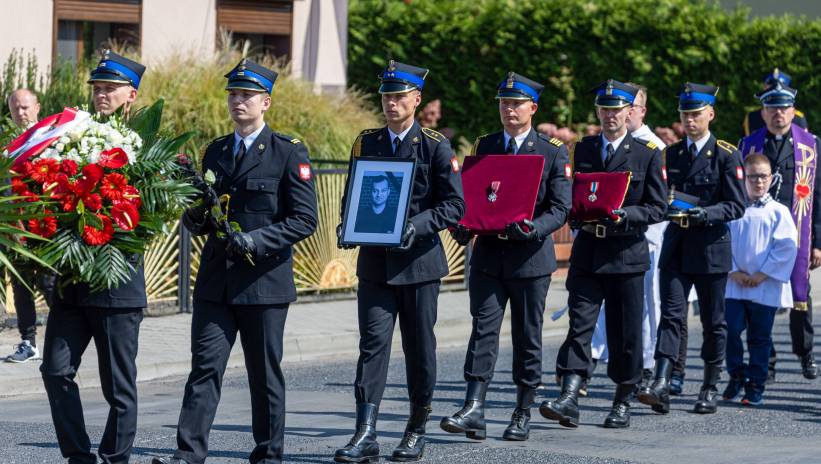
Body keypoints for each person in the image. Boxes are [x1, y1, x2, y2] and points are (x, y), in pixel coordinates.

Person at [152, 59, 318, 464]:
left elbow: (304, 219)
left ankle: (268, 454)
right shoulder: (216, 151)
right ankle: (188, 454)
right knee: (204, 369)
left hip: (262, 283)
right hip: (216, 281)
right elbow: (204, 221)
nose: (238, 101)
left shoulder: (287, 152)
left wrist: (258, 240)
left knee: (264, 375)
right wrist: (193, 211)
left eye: (246, 95)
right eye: (233, 94)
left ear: (266, 102)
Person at [334, 60, 464, 463]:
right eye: (387, 96)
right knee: (372, 347)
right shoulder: (366, 142)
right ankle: (365, 431)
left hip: (419, 265)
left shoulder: (434, 144)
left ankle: (416, 428)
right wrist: (347, 226)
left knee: (419, 349)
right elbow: (354, 192)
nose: (392, 103)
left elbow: (454, 205)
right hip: (375, 266)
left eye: (400, 96)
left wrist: (417, 226)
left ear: (416, 99)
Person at [440, 72, 571, 441]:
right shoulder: (486, 146)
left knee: (528, 336)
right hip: (489, 256)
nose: (509, 109)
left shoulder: (552, 151)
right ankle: (474, 407)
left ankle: (522, 410)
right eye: (503, 103)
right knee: (482, 331)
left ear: (533, 108)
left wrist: (535, 227)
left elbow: (560, 208)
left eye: (516, 103)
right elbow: (474, 199)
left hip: (529, 259)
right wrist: (462, 224)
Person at [39, 50, 147, 464]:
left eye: (110, 88)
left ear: (131, 94)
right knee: (54, 370)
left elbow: (150, 214)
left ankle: (115, 457)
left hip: (117, 286)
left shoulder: (147, 143)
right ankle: (78, 456)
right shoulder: (71, 135)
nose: (102, 94)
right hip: (72, 282)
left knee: (118, 385)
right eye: (97, 88)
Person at [540, 79, 667, 429]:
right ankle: (569, 393)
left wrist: (627, 215)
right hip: (589, 251)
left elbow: (658, 208)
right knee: (579, 326)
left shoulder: (648, 153)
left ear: (630, 112)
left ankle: (623, 398)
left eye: (618, 109)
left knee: (625, 332)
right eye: (605, 109)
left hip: (626, 254)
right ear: (597, 111)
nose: (611, 115)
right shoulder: (585, 149)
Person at [639, 83, 746, 415]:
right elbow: (658, 198)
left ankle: (710, 385)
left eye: (696, 114)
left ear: (710, 114)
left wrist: (706, 213)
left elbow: (736, 205)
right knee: (671, 317)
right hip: (677, 246)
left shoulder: (727, 154)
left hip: (711, 247)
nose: (689, 120)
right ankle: (662, 380)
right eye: (685, 114)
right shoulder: (669, 154)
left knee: (714, 322)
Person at [738, 79, 821, 381]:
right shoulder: (749, 145)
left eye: (784, 107)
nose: (778, 113)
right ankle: (766, 360)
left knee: (801, 296)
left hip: (796, 232)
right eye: (772, 107)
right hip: (758, 233)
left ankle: (806, 354)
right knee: (761, 298)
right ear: (763, 112)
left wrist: (818, 243)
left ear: (792, 110)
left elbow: (820, 195)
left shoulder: (810, 145)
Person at [589, 84, 668, 389]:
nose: (621, 112)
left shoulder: (651, 148)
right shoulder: (598, 145)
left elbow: (658, 202)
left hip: (645, 240)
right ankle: (595, 357)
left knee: (645, 308)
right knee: (605, 309)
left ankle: (645, 364)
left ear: (639, 111)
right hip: (605, 241)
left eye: (628, 106)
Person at [722, 154, 797, 405]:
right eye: (753, 176)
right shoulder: (733, 209)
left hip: (764, 286)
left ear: (771, 178)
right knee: (729, 330)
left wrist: (761, 275)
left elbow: (786, 248)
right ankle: (736, 374)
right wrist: (734, 271)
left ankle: (756, 384)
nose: (758, 182)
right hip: (734, 284)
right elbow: (722, 243)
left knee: (759, 337)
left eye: (763, 176)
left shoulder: (779, 212)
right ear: (744, 178)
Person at [4, 88, 55, 364]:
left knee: (50, 283)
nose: (20, 113)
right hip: (17, 229)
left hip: (45, 226)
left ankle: (64, 337)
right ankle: (28, 342)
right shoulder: (9, 144)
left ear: (37, 106)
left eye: (25, 107)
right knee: (21, 284)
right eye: (15, 108)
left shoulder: (51, 138)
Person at [742, 69, 808, 137]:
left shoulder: (798, 118)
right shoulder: (752, 117)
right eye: (771, 85)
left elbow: (803, 143)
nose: (776, 88)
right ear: (764, 87)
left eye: (781, 85)